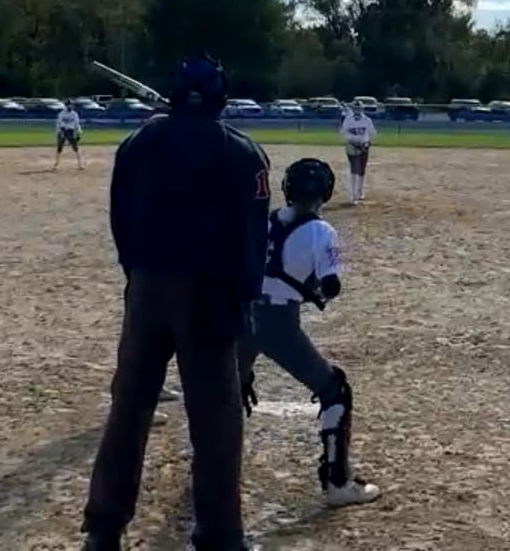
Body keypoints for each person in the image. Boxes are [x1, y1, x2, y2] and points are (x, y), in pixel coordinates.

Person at [80, 55, 270, 551]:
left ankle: (104, 527)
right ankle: (219, 534)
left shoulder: (138, 144)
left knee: (130, 405)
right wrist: (244, 298)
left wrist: (138, 275)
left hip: (147, 285)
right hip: (209, 293)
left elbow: (120, 219)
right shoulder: (243, 154)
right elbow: (252, 240)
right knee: (215, 419)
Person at [238, 158, 382, 508]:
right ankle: (338, 483)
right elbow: (331, 284)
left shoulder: (265, 219)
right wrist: (313, 285)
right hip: (278, 322)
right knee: (335, 390)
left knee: (229, 386)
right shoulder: (322, 231)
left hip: (241, 314)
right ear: (326, 193)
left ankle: (211, 469)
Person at [339, 103, 375, 205]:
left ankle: (360, 191)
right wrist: (351, 140)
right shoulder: (348, 120)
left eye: (359, 108)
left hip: (363, 146)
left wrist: (367, 142)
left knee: (362, 170)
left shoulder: (367, 120)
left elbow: (372, 133)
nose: (357, 111)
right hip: (352, 146)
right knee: (354, 169)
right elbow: (343, 133)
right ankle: (352, 195)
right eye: (356, 109)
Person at [54, 103, 84, 170]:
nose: (71, 106)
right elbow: (58, 123)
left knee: (76, 148)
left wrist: (79, 132)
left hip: (71, 131)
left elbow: (77, 124)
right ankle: (56, 164)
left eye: (71, 105)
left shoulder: (74, 114)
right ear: (66, 106)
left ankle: (80, 164)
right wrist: (59, 132)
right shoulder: (61, 113)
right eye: (69, 105)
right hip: (62, 131)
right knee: (59, 148)